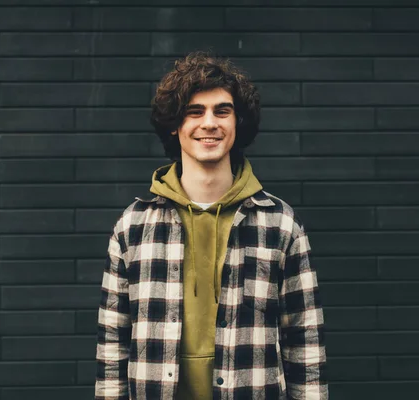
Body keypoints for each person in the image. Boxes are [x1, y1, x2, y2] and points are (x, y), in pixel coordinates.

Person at [95, 51, 328, 400]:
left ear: (238, 123)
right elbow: (112, 344)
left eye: (222, 111)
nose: (209, 123)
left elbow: (305, 342)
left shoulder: (281, 225)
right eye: (194, 112)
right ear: (175, 125)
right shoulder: (133, 226)